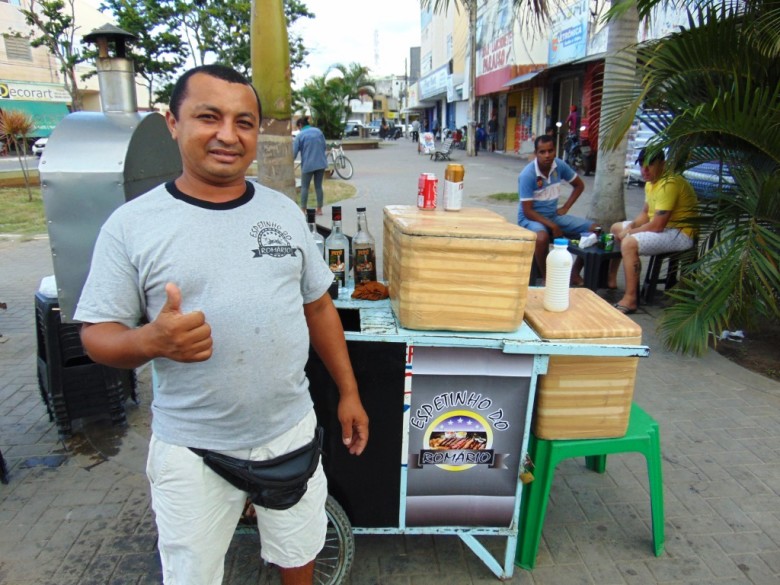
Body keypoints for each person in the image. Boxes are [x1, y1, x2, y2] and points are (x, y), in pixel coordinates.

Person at [73, 64, 369, 585]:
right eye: (209, 117)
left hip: (289, 432)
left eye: (244, 121)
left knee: (298, 554)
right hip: (192, 447)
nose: (228, 135)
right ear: (172, 122)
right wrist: (150, 340)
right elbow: (96, 335)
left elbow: (317, 306)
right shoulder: (132, 226)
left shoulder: (282, 212)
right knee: (192, 574)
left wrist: (348, 390)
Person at [607, 148, 698, 313]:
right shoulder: (651, 183)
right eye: (642, 165)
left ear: (662, 164)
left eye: (650, 165)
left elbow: (657, 226)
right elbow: (645, 214)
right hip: (664, 228)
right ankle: (611, 279)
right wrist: (630, 226)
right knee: (616, 227)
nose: (644, 170)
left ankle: (631, 299)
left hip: (681, 233)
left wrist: (630, 233)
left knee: (629, 243)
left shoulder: (669, 184)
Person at [517, 134, 595, 278]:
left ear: (555, 151)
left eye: (550, 151)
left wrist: (566, 207)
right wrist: (552, 226)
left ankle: (575, 273)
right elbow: (527, 211)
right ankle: (547, 277)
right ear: (536, 154)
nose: (547, 155)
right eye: (542, 152)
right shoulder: (527, 175)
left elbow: (579, 185)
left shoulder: (559, 165)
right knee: (542, 238)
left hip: (553, 216)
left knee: (594, 230)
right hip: (530, 220)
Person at [293, 116, 328, 216]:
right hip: (321, 163)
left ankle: (303, 209)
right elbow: (324, 146)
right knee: (318, 186)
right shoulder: (318, 132)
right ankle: (319, 209)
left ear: (300, 125)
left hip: (308, 165)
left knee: (305, 187)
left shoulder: (300, 136)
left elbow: (294, 153)